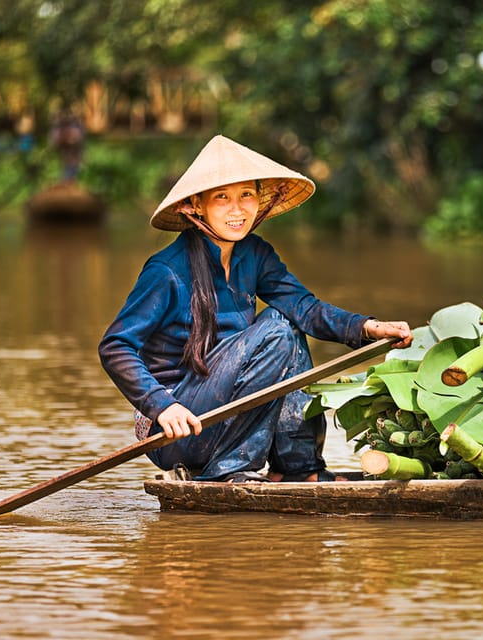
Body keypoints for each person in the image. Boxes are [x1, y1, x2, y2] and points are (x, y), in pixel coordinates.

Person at [98, 135, 412, 482]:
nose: (238, 210)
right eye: (223, 198)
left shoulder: (255, 254)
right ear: (196, 206)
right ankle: (227, 471)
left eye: (246, 195)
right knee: (277, 328)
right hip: (177, 429)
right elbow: (116, 347)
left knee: (288, 323)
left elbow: (304, 308)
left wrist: (367, 328)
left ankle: (300, 468)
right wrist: (163, 405)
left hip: (224, 413)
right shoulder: (167, 271)